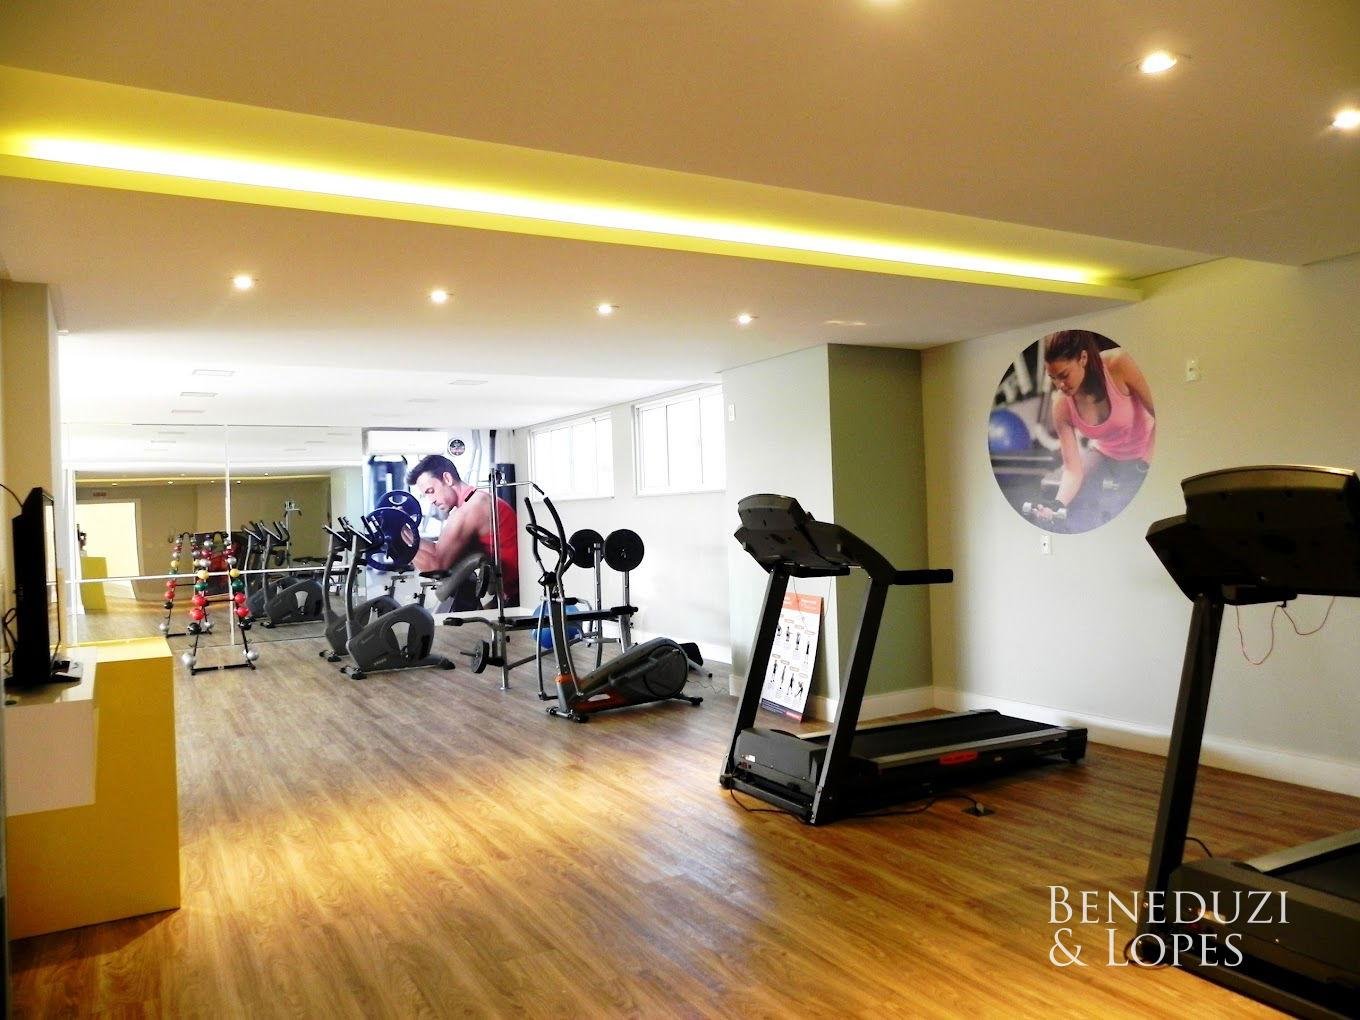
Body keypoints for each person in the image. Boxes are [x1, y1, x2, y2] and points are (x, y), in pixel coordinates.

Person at [1034, 330, 1155, 530]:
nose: (1060, 385)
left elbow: (1162, 416)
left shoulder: (1119, 364)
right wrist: (1058, 504)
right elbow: (1072, 470)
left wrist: (1145, 465)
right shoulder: (1061, 405)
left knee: (1129, 504)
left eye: (1064, 375)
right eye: (1053, 378)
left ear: (1083, 358)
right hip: (1105, 453)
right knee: (1073, 503)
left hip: (1147, 449)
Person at [406, 454, 520, 606]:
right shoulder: (473, 501)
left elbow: (436, 567)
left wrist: (399, 539)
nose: (431, 500)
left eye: (431, 491)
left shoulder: (473, 508)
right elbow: (438, 549)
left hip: (516, 597)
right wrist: (404, 533)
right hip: (506, 593)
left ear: (447, 479)